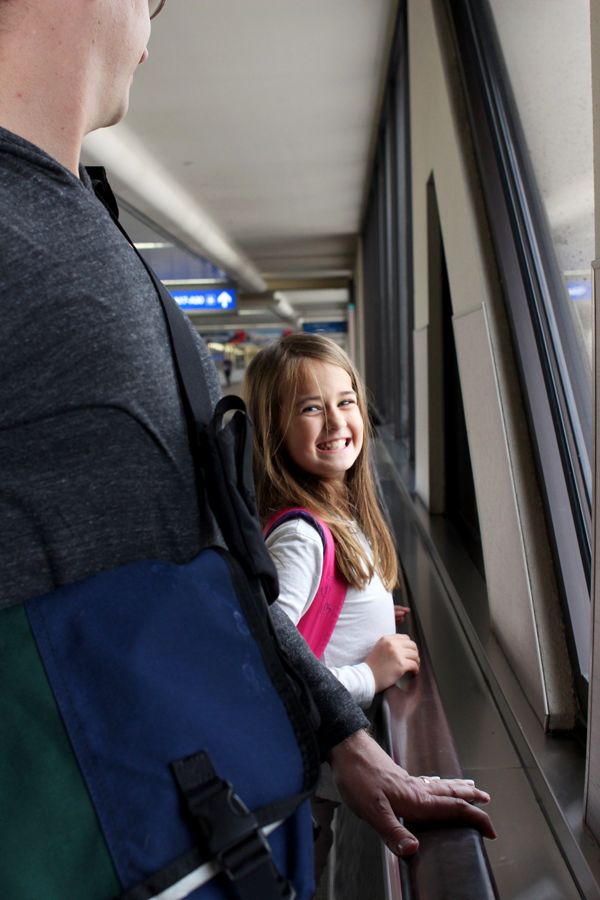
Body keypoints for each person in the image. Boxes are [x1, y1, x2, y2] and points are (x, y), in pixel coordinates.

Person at [0, 0, 495, 887]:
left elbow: (218, 555)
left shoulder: (81, 223)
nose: (153, 34)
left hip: (186, 835)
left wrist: (341, 735)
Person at [244, 333, 424, 880]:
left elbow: (312, 619)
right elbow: (271, 673)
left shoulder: (336, 516)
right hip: (300, 790)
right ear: (274, 428)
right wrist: (369, 673)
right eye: (310, 408)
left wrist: (360, 615)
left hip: (314, 789)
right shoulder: (301, 536)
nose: (336, 421)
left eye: (345, 401)